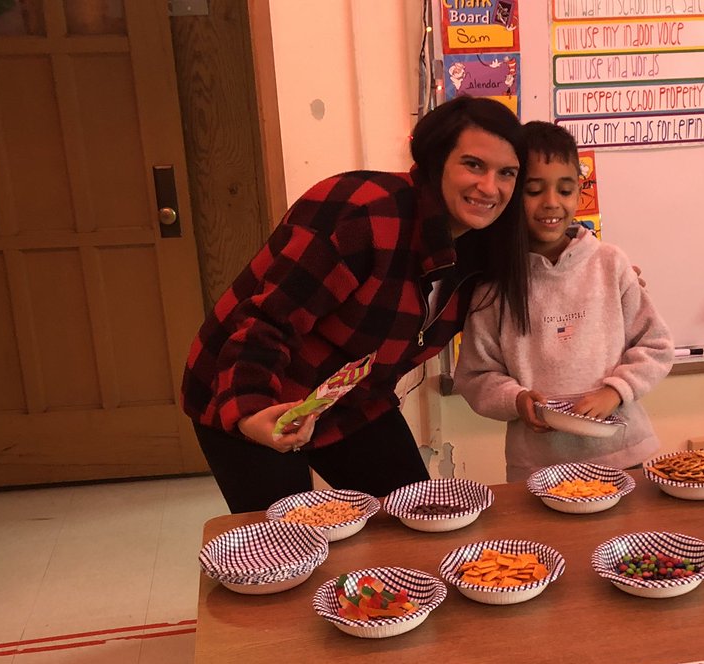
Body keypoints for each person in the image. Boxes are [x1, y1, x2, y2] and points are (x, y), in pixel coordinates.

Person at [181, 97, 530, 513]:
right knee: (288, 545)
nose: (490, 187)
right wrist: (252, 409)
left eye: (506, 173)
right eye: (473, 165)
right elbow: (266, 320)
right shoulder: (363, 213)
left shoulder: (488, 247)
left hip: (351, 398)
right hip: (248, 381)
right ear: (436, 161)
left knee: (419, 517)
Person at [453, 120, 673, 483]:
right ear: (510, 194)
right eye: (534, 190)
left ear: (579, 192)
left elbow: (657, 345)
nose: (552, 203)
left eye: (566, 189)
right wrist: (517, 400)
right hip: (538, 469)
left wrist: (615, 392)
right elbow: (476, 375)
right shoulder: (494, 285)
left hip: (625, 455)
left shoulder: (611, 263)